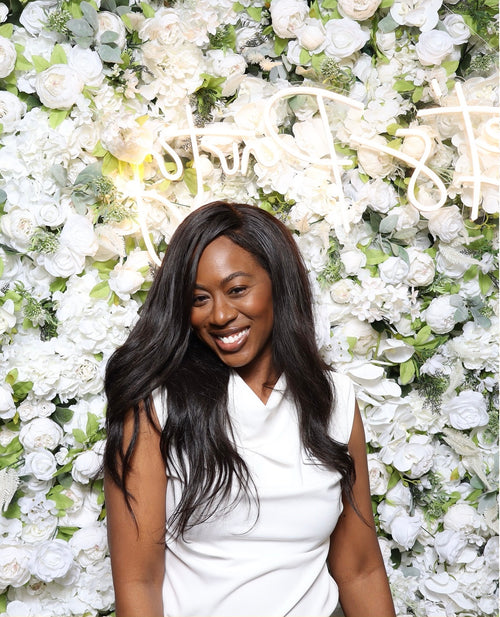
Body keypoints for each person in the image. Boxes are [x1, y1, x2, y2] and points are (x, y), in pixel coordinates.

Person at [103, 201, 396, 617]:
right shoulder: (156, 406)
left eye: (237, 289)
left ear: (278, 283)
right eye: (199, 298)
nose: (220, 315)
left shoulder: (332, 397)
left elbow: (360, 571)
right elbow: (139, 582)